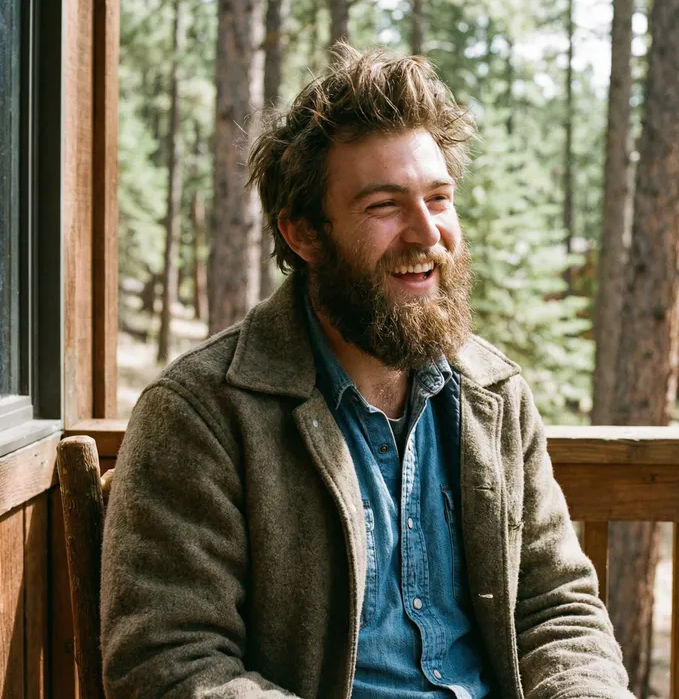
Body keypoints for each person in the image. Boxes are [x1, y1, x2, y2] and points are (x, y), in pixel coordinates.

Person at [101, 45, 633, 699]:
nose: (426, 233)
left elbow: (556, 605)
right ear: (302, 233)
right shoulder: (204, 412)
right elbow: (169, 662)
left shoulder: (495, 395)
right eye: (385, 205)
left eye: (439, 198)